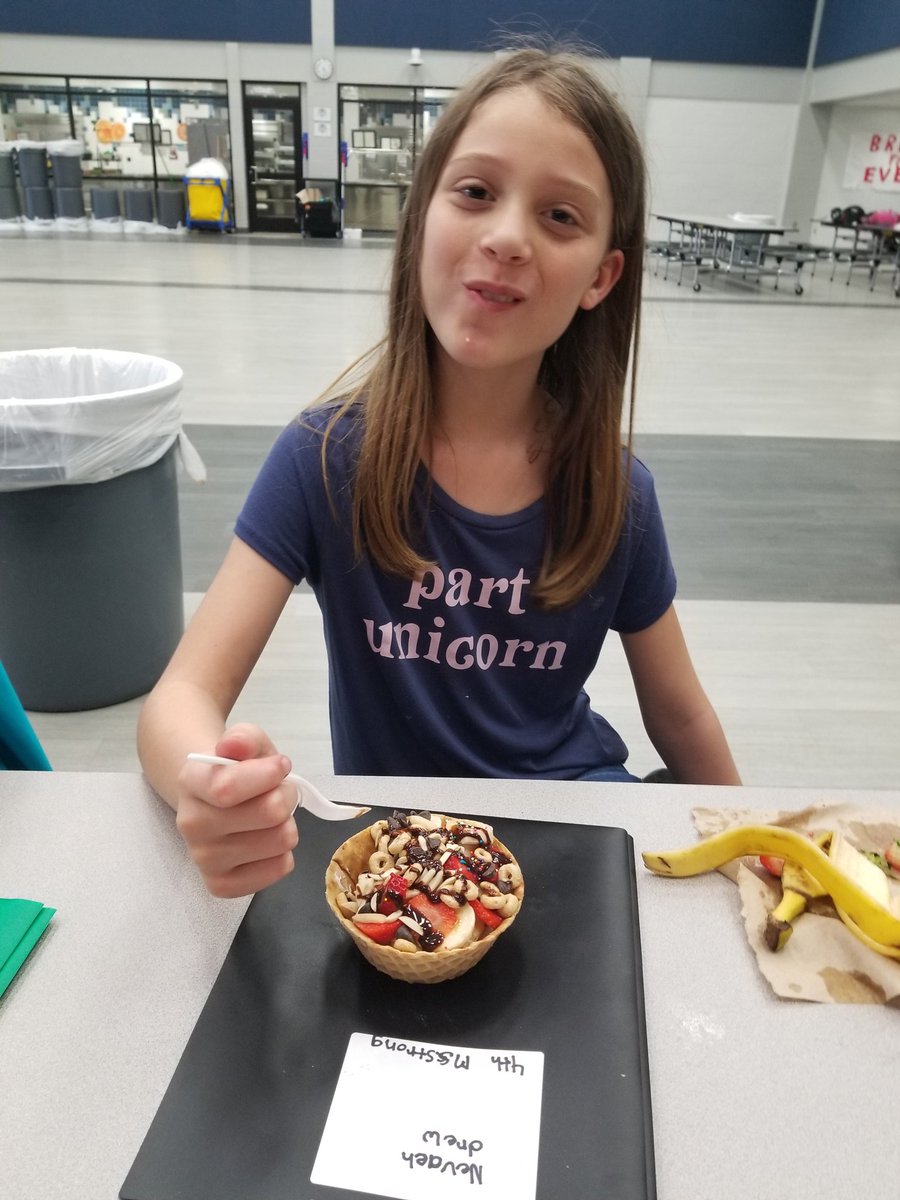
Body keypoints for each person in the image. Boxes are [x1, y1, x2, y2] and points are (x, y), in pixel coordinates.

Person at [138, 45, 741, 898]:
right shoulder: (324, 459)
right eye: (476, 192)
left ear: (603, 277)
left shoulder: (617, 493)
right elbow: (182, 695)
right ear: (422, 215)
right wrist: (205, 781)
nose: (505, 237)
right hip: (402, 862)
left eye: (561, 216)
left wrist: (760, 855)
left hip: (570, 832)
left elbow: (679, 715)